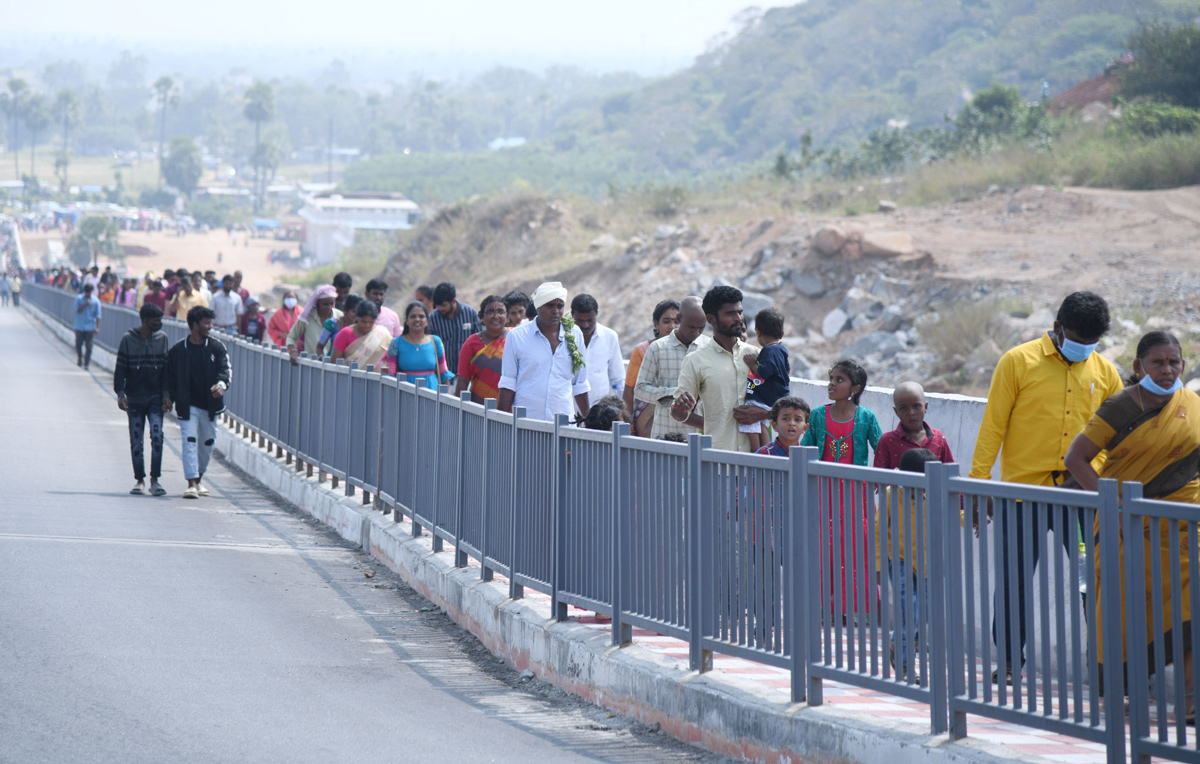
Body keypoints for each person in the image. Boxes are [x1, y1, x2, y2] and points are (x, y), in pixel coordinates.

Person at [971, 291, 1122, 685]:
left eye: (1092, 342)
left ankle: (1107, 671)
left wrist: (1089, 473)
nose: (1085, 348)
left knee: (1099, 584)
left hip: (1081, 499)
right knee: (1013, 583)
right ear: (1057, 329)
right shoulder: (1017, 362)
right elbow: (993, 425)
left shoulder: (1106, 373)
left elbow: (1117, 440)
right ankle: (1007, 662)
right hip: (1023, 496)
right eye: (1078, 338)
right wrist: (979, 482)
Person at [1065, 331, 1200, 711]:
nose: (1167, 369)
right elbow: (1076, 459)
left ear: (1184, 365)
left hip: (1184, 525)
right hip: (1128, 526)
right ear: (1140, 366)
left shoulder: (1192, 404)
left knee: (1193, 606)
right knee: (1122, 611)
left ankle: (1190, 701)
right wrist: (1116, 508)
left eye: (1174, 361)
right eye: (1158, 362)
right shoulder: (1122, 406)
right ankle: (1114, 693)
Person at [800, 359, 883, 617]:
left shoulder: (867, 417)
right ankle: (822, 606)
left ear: (854, 388)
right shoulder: (817, 415)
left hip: (857, 494)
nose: (832, 384)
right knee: (823, 545)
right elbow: (806, 449)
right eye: (831, 378)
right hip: (823, 492)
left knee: (858, 544)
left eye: (839, 380)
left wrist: (879, 477)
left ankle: (855, 609)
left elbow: (880, 449)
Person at [874, 447, 940, 679]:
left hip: (925, 563)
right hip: (899, 561)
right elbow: (878, 530)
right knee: (906, 613)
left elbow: (952, 514)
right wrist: (879, 566)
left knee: (924, 612)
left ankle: (894, 642)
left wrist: (972, 516)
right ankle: (905, 668)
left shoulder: (933, 493)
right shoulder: (892, 494)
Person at [670, 286, 758, 452]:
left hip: (759, 461)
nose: (738, 318)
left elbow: (779, 402)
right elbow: (678, 415)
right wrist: (680, 407)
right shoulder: (696, 361)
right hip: (719, 460)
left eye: (740, 312)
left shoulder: (755, 355)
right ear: (711, 319)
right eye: (730, 314)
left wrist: (762, 414)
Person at [498, 282, 590, 421]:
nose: (556, 311)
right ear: (538, 306)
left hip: (563, 421)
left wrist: (589, 422)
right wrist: (500, 421)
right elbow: (508, 383)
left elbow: (580, 383)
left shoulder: (575, 333)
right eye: (550, 305)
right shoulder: (516, 336)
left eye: (560, 306)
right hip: (527, 421)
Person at [166, 306, 231, 500]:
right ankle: (191, 483)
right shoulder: (178, 350)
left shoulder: (217, 347)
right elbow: (169, 376)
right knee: (190, 440)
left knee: (208, 443)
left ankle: (199, 477)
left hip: (210, 406)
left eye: (211, 322)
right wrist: (168, 396)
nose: (210, 326)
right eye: (206, 323)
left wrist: (221, 385)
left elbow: (225, 370)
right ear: (195, 325)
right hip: (188, 405)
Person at [114, 303, 170, 497]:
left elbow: (165, 372)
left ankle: (155, 479)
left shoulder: (162, 339)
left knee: (157, 438)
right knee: (136, 441)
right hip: (135, 399)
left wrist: (166, 395)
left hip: (155, 398)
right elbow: (120, 369)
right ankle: (139, 480)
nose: (159, 324)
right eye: (156, 321)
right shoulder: (128, 340)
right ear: (145, 321)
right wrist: (121, 394)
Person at [635, 296, 709, 440]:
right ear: (680, 319)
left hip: (701, 436)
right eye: (691, 327)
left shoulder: (709, 347)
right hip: (665, 434)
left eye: (701, 328)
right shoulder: (658, 348)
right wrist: (673, 393)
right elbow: (640, 389)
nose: (696, 333)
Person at [623, 300, 680, 437]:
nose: (672, 326)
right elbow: (629, 390)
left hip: (680, 419)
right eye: (666, 321)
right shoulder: (642, 351)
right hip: (647, 422)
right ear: (656, 323)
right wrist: (629, 427)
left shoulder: (690, 350)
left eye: (676, 322)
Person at [873, 381, 955, 469]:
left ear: (926, 407)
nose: (911, 413)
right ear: (896, 412)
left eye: (916, 406)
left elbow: (950, 472)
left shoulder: (938, 438)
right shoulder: (888, 440)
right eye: (903, 408)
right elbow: (878, 477)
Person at [741, 307, 791, 451]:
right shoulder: (782, 349)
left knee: (751, 424)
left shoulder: (768, 351)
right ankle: (765, 451)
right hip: (777, 396)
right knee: (763, 424)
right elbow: (787, 370)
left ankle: (757, 453)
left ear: (758, 332)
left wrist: (752, 363)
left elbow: (763, 372)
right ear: (781, 335)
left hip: (763, 398)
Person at [570, 293, 624, 412]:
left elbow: (618, 379)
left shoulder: (610, 337)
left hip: (600, 413)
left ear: (597, 315)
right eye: (580, 320)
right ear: (572, 316)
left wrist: (625, 412)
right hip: (569, 410)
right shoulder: (563, 337)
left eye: (590, 320)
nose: (585, 325)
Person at [385, 301, 455, 389]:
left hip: (432, 395)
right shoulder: (396, 343)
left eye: (421, 316)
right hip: (405, 395)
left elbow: (443, 373)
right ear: (406, 321)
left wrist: (446, 399)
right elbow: (391, 374)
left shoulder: (436, 341)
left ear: (427, 321)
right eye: (413, 316)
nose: (417, 319)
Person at [455, 294, 508, 403]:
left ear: (507, 317)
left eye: (500, 311)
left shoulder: (514, 338)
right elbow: (463, 380)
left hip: (509, 408)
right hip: (478, 407)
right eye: (490, 312)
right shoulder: (471, 343)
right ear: (482, 318)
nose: (495, 316)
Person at [428, 282, 482, 376]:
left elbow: (480, 342)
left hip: (467, 374)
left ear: (453, 301)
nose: (440, 308)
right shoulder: (432, 318)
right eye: (437, 305)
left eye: (443, 305)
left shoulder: (471, 314)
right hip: (442, 375)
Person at [331, 299, 392, 369]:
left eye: (371, 322)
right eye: (364, 321)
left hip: (375, 378)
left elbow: (391, 360)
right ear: (357, 317)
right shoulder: (345, 334)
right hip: (348, 377)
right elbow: (334, 362)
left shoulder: (382, 334)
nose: (367, 325)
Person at [287, 285, 342, 363]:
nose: (329, 307)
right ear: (317, 303)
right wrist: (292, 351)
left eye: (331, 304)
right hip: (311, 365)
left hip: (334, 366)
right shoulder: (307, 317)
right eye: (325, 304)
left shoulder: (340, 316)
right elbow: (292, 336)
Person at [73, 283, 102, 369]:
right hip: (80, 326)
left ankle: (86, 363)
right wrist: (85, 304)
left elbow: (98, 315)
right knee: (78, 344)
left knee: (89, 346)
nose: (87, 294)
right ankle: (79, 357)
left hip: (90, 326)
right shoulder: (79, 299)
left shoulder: (96, 301)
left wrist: (97, 327)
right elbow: (76, 310)